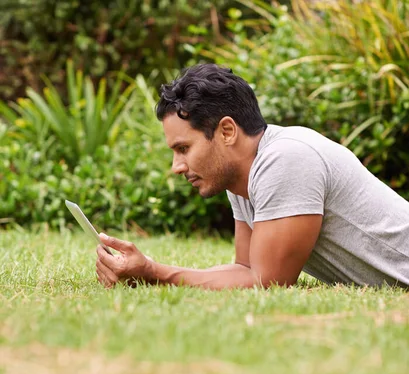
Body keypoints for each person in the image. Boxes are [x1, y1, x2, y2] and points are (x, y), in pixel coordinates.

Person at [96, 63, 409, 290]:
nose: (177, 166)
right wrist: (150, 268)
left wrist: (154, 273)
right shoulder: (242, 176)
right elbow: (244, 269)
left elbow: (266, 282)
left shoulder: (286, 159)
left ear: (227, 131)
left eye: (183, 148)